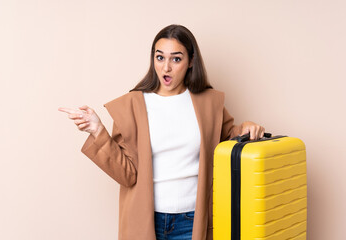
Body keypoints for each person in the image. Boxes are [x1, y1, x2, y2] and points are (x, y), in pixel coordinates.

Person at [58, 24, 265, 240]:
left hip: (193, 220)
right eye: (160, 57)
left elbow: (229, 140)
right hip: (145, 220)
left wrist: (247, 126)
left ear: (191, 61)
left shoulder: (208, 103)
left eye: (176, 59)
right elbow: (127, 175)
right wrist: (97, 130)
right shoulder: (131, 106)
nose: (166, 67)